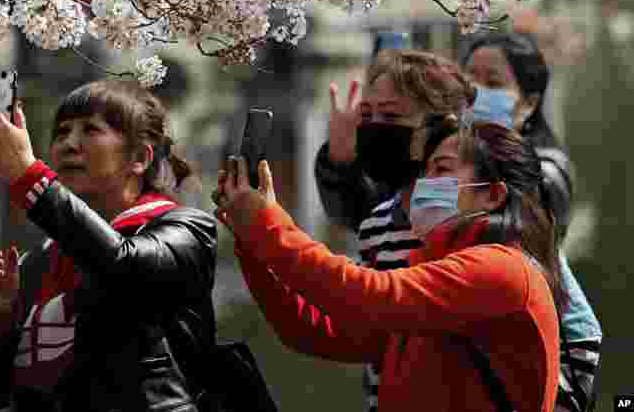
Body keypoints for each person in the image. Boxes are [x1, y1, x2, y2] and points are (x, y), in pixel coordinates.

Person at [215, 116, 563, 412]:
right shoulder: (441, 269)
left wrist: (268, 224)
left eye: (441, 169)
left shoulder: (502, 271)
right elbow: (310, 329)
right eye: (425, 171)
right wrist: (253, 240)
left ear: (493, 195)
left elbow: (367, 294)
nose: (425, 184)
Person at [0, 80, 217, 411]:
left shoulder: (186, 231)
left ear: (139, 157)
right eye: (62, 132)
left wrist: (28, 175)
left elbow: (123, 267)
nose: (69, 144)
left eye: (90, 130)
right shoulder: (38, 261)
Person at [313, 50, 474, 410]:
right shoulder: (376, 223)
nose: (374, 128)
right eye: (367, 116)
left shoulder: (474, 218)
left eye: (392, 115)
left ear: (440, 128)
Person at [462, 32, 602, 412]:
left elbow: (520, 210)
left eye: (492, 83)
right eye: (468, 80)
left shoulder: (549, 169)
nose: (475, 92)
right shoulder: (450, 156)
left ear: (529, 101)